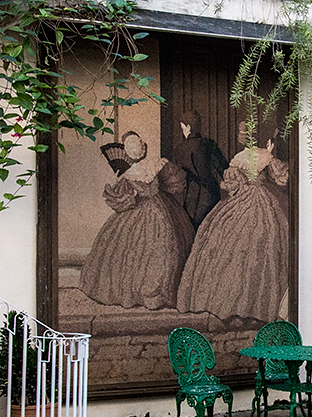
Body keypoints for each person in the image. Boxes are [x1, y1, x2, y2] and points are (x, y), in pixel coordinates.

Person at [176, 122, 289, 321]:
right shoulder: (265, 156)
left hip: (240, 202)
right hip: (265, 199)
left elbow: (230, 185)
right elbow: (281, 179)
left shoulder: (238, 159)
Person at [80, 131, 195, 310]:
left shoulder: (128, 175)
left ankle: (138, 292)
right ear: (144, 149)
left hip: (140, 210)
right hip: (162, 208)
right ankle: (159, 292)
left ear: (126, 153)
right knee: (165, 247)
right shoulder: (157, 165)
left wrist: (119, 185)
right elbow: (176, 182)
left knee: (130, 250)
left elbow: (122, 202)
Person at [174, 110, 228, 230]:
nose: (183, 132)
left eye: (183, 128)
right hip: (211, 195)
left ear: (188, 127)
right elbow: (223, 168)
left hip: (190, 198)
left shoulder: (179, 149)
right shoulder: (210, 144)